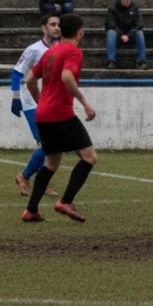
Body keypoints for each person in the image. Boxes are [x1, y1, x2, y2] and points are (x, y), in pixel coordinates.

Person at [22, 13, 97, 223]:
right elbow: (66, 76)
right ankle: (65, 201)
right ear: (80, 31)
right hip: (61, 114)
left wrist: (41, 101)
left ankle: (31, 210)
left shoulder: (50, 52)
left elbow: (29, 79)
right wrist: (85, 103)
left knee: (52, 162)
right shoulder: (74, 52)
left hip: (43, 114)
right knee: (89, 157)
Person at [11, 14, 61, 199]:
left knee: (52, 144)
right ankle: (31, 179)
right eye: (52, 24)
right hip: (32, 102)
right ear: (44, 28)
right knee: (48, 143)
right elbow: (17, 73)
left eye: (58, 25)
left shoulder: (60, 49)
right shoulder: (34, 49)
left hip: (50, 102)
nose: (56, 28)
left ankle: (27, 177)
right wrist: (16, 98)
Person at [105, 0, 147, 70]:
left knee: (140, 33)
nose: (127, 1)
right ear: (120, 0)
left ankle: (142, 61)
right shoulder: (112, 9)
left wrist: (129, 34)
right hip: (117, 35)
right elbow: (111, 24)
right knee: (110, 32)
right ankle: (111, 61)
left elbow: (140, 24)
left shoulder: (135, 8)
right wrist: (121, 34)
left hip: (131, 35)